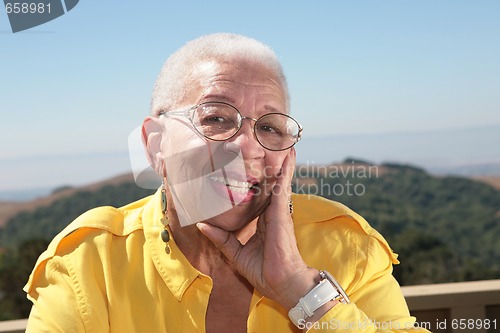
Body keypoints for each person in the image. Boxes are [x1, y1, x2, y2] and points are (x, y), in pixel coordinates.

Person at [24, 33, 431, 332]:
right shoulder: (91, 263)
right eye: (216, 118)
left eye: (270, 127)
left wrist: (299, 290)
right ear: (156, 143)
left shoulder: (345, 246)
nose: (248, 148)